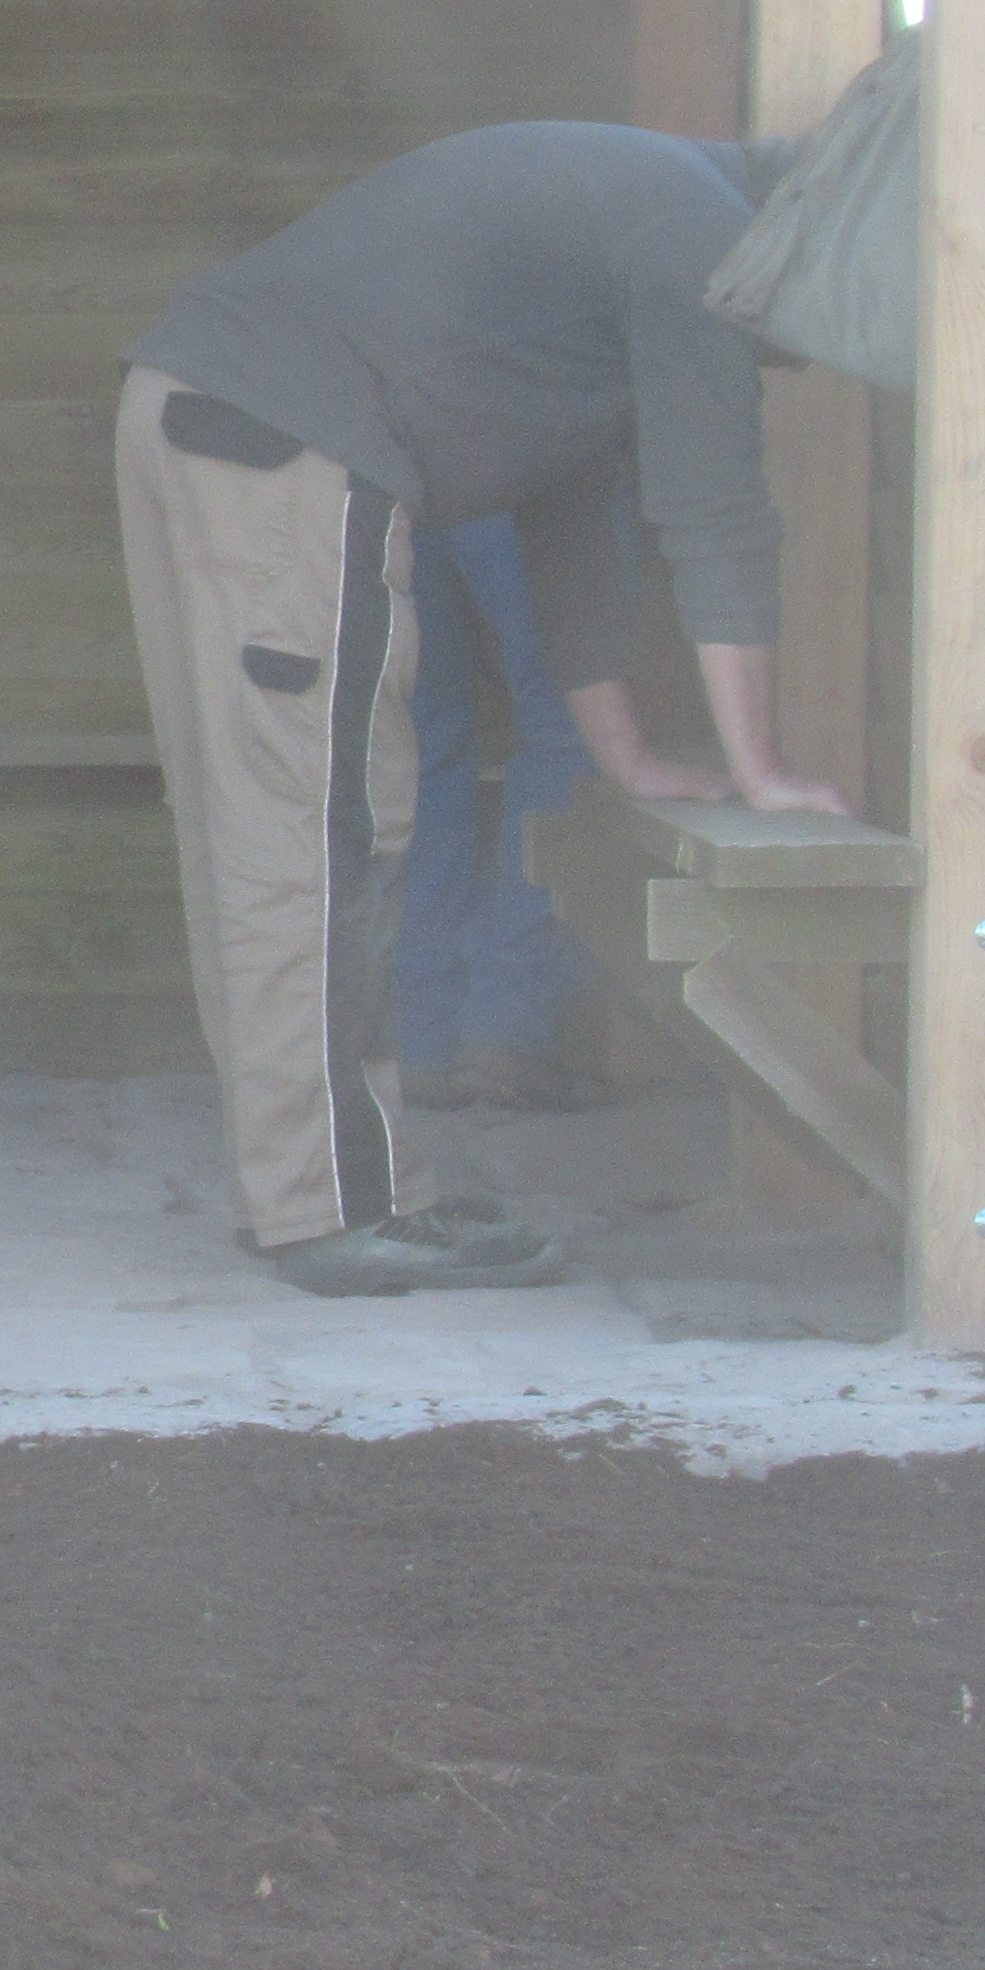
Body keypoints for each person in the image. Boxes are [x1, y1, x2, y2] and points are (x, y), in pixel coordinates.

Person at [114, 119, 847, 1299]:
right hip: (291, 440)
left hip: (212, 408)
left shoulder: (628, 221)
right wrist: (760, 769)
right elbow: (716, 512)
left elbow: (570, 526)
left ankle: (316, 1184)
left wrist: (628, 757)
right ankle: (331, 1207)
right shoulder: (706, 236)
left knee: (275, 823)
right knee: (327, 830)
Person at [393, 512, 598, 1114]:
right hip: (524, 481)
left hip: (399, 480)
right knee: (577, 718)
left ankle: (422, 1036)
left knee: (421, 740)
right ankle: (509, 1028)